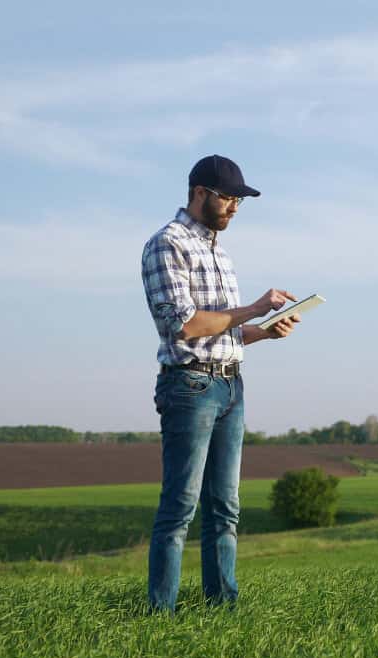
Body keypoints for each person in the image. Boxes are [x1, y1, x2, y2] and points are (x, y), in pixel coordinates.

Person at [141, 154, 300, 613]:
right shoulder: (167, 245)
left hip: (231, 386)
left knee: (224, 509)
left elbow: (222, 328)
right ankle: (160, 615)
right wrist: (253, 309)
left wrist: (264, 331)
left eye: (238, 201)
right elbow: (183, 326)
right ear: (199, 193)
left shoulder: (218, 252)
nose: (233, 207)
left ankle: (221, 609)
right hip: (189, 388)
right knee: (179, 510)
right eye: (228, 198)